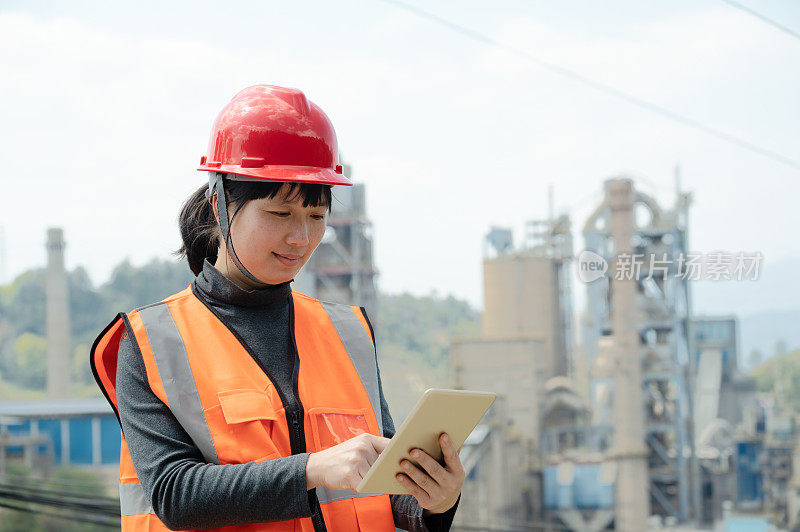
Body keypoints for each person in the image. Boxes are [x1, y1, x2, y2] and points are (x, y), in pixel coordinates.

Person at [90, 84, 463, 531]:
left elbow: (384, 488)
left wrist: (435, 501)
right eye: (280, 215)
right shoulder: (153, 342)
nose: (301, 239)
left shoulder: (349, 334)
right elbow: (174, 493)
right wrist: (311, 469)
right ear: (220, 205)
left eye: (316, 217)